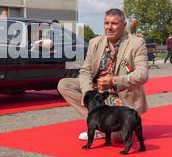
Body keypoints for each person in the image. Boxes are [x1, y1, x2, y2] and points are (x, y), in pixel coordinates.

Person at [57, 8, 149, 141]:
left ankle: (119, 124)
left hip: (122, 95)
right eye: (106, 23)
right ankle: (97, 125)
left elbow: (142, 74)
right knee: (64, 84)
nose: (109, 27)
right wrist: (87, 93)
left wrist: (114, 81)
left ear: (123, 26)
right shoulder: (95, 42)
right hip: (98, 94)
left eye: (114, 24)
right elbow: (85, 71)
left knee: (117, 139)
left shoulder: (136, 43)